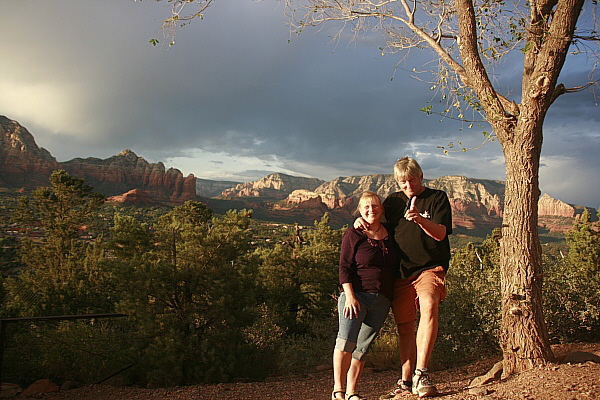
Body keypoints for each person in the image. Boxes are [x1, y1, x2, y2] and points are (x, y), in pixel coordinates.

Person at [355, 157, 452, 398]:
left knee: (429, 306)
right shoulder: (394, 201)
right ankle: (406, 380)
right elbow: (378, 227)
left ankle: (422, 372)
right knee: (405, 327)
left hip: (429, 268)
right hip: (400, 273)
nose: (407, 185)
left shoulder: (437, 197)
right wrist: (360, 221)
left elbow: (441, 234)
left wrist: (420, 219)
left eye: (411, 180)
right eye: (402, 181)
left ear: (420, 176)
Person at [332, 191, 400, 400]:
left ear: (382, 209)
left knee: (362, 348)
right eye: (366, 207)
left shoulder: (390, 232)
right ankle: (338, 390)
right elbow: (344, 267)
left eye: (375, 206)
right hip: (356, 297)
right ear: (360, 211)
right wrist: (350, 296)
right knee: (345, 343)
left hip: (381, 300)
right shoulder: (354, 234)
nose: (371, 210)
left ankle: (352, 393)